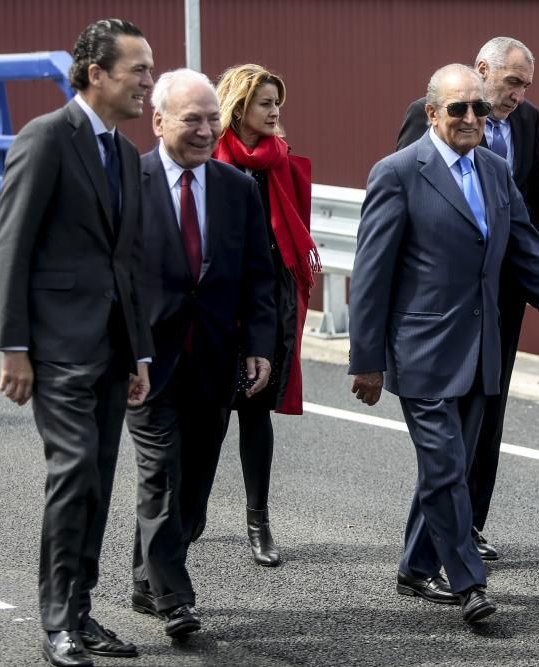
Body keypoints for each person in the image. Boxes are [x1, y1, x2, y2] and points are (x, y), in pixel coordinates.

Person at [348, 64, 539, 625]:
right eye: (458, 108)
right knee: (447, 468)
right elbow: (372, 272)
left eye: (479, 108)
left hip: (482, 348)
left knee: (448, 467)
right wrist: (367, 360)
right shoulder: (399, 173)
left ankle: (414, 565)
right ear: (431, 113)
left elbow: (527, 250)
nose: (471, 118)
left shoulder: (496, 170)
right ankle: (468, 584)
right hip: (422, 350)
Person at [0, 18, 153, 667]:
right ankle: (57, 619)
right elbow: (11, 244)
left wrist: (138, 350)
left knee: (99, 479)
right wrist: (13, 347)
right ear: (95, 74)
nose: (148, 80)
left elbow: (128, 261)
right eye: (137, 69)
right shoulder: (47, 138)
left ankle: (81, 614)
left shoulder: (121, 152)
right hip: (55, 345)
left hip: (113, 348)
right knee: (73, 472)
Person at [125, 68, 277, 638]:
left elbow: (258, 278)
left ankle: (147, 577)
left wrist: (259, 346)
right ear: (159, 120)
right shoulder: (127, 182)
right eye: (193, 119)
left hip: (214, 363)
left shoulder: (237, 187)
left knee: (192, 495)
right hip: (147, 363)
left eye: (213, 118)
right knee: (161, 477)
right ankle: (175, 597)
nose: (206, 129)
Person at [395, 37, 539, 561]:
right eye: (510, 84)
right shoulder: (430, 117)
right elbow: (409, 204)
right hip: (440, 310)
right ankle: (452, 556)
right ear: (483, 71)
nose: (517, 97)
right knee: (445, 445)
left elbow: (530, 216)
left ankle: (468, 525)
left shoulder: (525, 123)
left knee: (484, 420)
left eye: (525, 86)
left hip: (500, 299)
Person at [213, 64, 315, 567]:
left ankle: (259, 523)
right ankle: (189, 517)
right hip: (218, 300)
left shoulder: (280, 161)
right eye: (265, 103)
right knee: (206, 415)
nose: (275, 112)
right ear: (239, 107)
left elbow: (289, 237)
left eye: (278, 102)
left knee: (256, 411)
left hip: (269, 298)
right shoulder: (212, 159)